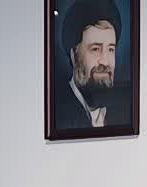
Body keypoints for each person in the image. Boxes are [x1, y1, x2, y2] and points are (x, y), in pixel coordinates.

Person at [54, 0, 132, 130]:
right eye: (95, 49)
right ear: (74, 56)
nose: (105, 61)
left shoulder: (124, 110)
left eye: (111, 49)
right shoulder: (59, 113)